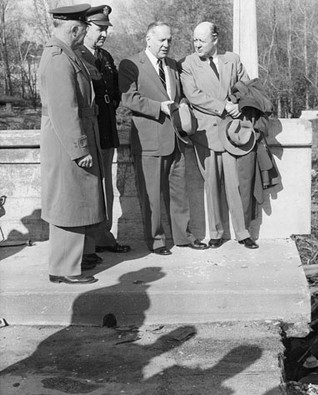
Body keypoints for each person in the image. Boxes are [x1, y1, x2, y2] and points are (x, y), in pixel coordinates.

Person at [118, 22, 207, 255]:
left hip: (176, 139)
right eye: (162, 40)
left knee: (179, 193)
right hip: (148, 141)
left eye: (169, 40)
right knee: (152, 197)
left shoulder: (172, 65)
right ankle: (157, 242)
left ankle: (184, 238)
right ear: (148, 39)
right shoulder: (130, 65)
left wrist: (184, 106)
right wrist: (160, 107)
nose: (166, 45)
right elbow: (129, 98)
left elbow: (179, 96)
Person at [39, 4, 105, 284]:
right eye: (83, 29)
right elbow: (64, 110)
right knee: (68, 201)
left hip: (72, 137)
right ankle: (63, 268)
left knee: (79, 199)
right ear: (74, 28)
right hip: (67, 141)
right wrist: (79, 149)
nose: (85, 34)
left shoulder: (67, 55)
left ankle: (76, 258)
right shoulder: (58, 58)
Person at [180, 21, 258, 250]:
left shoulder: (232, 60)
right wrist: (223, 106)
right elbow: (193, 95)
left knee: (235, 185)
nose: (196, 44)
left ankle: (243, 234)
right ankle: (215, 233)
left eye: (201, 40)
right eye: (194, 40)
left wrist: (236, 104)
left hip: (231, 132)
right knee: (211, 185)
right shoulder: (188, 64)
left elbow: (246, 86)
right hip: (205, 134)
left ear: (215, 39)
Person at [76, 5, 131, 255]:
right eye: (100, 29)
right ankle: (88, 243)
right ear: (86, 27)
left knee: (106, 185)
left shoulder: (106, 57)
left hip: (107, 127)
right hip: (90, 129)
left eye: (106, 29)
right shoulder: (76, 55)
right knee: (90, 187)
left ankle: (104, 237)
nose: (104, 34)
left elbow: (115, 94)